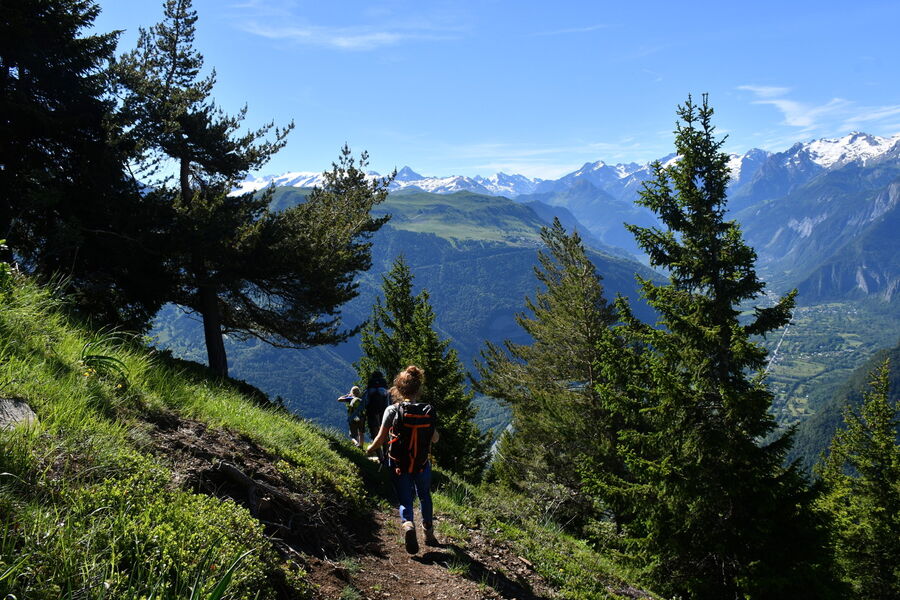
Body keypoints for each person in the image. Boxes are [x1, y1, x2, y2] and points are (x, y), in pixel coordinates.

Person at [366, 365, 440, 554]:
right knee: (424, 496)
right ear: (419, 389)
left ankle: (408, 523)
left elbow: (381, 439)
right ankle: (429, 532)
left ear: (398, 389)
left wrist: (370, 449)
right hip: (421, 463)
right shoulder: (427, 410)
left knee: (405, 498)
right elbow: (435, 438)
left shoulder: (392, 410)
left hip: (398, 463)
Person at [362, 371, 389, 451]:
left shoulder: (371, 383)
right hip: (383, 410)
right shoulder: (383, 382)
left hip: (371, 410)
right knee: (385, 433)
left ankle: (379, 455)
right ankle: (386, 455)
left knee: (374, 433)